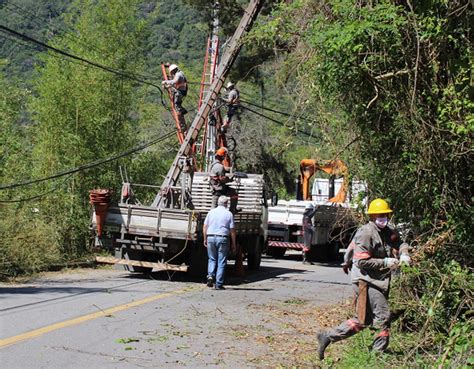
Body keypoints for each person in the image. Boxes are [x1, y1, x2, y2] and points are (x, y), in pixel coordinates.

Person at [316, 198, 411, 360]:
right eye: (379, 215)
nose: (383, 218)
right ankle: (377, 355)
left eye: (385, 215)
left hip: (378, 280)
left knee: (362, 320)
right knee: (383, 316)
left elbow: (400, 243)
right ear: (372, 216)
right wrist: (385, 262)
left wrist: (404, 254)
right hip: (366, 281)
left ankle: (328, 336)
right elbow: (361, 261)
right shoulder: (366, 233)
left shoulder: (387, 231)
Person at [203, 195, 237, 290]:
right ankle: (218, 284)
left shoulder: (211, 212)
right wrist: (233, 243)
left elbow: (205, 226)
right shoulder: (229, 214)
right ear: (226, 204)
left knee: (212, 259)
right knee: (221, 261)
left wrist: (205, 238)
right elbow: (232, 230)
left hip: (210, 237)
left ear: (218, 202)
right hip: (223, 238)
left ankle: (210, 275)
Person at [209, 147, 239, 212]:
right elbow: (222, 179)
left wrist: (227, 169)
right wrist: (230, 179)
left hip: (215, 186)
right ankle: (233, 209)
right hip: (219, 188)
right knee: (234, 192)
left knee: (213, 207)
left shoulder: (213, 164)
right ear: (223, 157)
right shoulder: (219, 166)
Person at [162, 64, 188, 131]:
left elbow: (174, 82)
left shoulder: (178, 75)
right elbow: (176, 84)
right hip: (182, 92)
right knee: (178, 106)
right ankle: (182, 112)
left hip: (180, 92)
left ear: (173, 70)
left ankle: (182, 124)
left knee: (177, 107)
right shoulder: (181, 73)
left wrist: (165, 82)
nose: (172, 74)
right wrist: (167, 86)